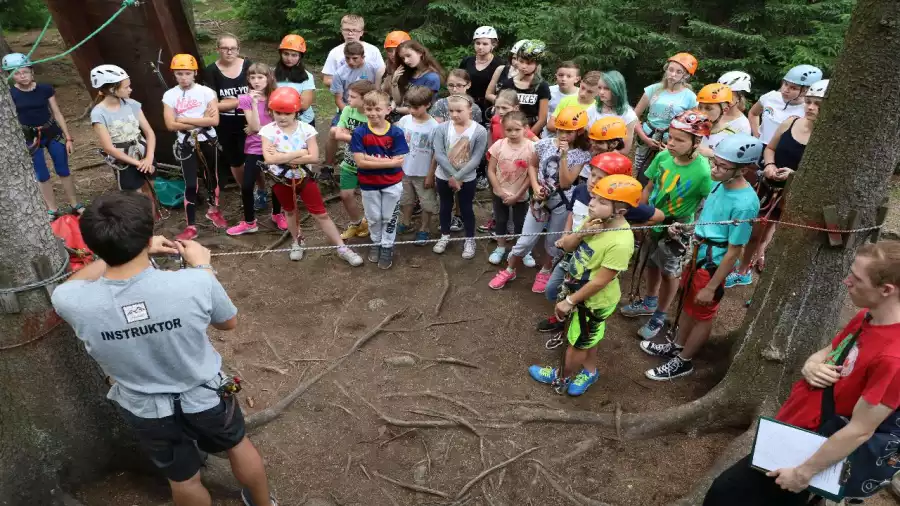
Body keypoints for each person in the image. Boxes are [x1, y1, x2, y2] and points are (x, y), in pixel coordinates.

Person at [50, 192, 278, 506]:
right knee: (238, 445)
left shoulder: (72, 301)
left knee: (183, 480)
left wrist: (113, 255)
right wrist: (202, 267)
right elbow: (228, 323)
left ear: (91, 245)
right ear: (148, 236)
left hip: (147, 409)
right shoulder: (193, 282)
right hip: (206, 396)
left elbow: (67, 286)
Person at [703, 241, 900, 505]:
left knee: (724, 493)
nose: (846, 281)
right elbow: (831, 349)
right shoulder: (867, 316)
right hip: (795, 431)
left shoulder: (893, 358)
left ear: (886, 290)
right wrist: (812, 363)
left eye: (856, 278)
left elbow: (860, 431)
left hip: (812, 453)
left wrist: (802, 474)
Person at [640, 134, 762, 380]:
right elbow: (708, 220)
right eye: (714, 162)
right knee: (687, 302)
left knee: (703, 312)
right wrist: (687, 229)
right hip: (698, 252)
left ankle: (684, 361)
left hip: (713, 262)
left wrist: (713, 285)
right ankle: (678, 344)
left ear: (742, 170)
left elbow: (734, 251)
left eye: (722, 166)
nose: (714, 169)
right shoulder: (720, 183)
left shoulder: (746, 204)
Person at [527, 175, 642, 396]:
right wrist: (582, 233)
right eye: (594, 198)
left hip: (593, 302)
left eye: (602, 202)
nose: (592, 204)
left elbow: (601, 280)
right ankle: (589, 371)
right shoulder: (595, 222)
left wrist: (569, 301)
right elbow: (568, 247)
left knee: (577, 344)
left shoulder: (621, 241)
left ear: (621, 211)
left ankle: (562, 377)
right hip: (580, 293)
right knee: (586, 338)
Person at [538, 153, 663, 332]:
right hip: (573, 249)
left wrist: (627, 225)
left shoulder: (620, 208)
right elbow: (572, 214)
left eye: (600, 178)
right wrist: (567, 235)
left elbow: (659, 216)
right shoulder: (581, 191)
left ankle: (568, 318)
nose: (593, 181)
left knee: (580, 294)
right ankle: (562, 314)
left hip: (593, 261)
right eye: (592, 174)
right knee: (554, 289)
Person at [620, 110, 714, 340]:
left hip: (677, 229)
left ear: (696, 142)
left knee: (669, 272)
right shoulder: (663, 158)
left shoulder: (703, 172)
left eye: (680, 140)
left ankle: (660, 315)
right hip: (653, 221)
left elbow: (707, 205)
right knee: (651, 263)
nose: (671, 143)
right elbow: (649, 187)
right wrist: (642, 216)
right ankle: (650, 301)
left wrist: (690, 230)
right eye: (670, 137)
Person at [727, 79, 829, 288]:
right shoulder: (791, 122)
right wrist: (771, 164)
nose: (811, 107)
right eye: (809, 101)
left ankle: (763, 276)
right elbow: (770, 147)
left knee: (780, 238)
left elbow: (826, 173)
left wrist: (795, 175)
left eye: (818, 104)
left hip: (796, 195)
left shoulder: (828, 139)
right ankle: (743, 269)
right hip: (769, 186)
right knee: (754, 230)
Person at [488, 106, 592, 291]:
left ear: (579, 131)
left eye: (569, 132)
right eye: (561, 130)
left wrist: (565, 156)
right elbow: (533, 166)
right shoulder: (543, 144)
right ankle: (510, 268)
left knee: (552, 243)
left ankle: (545, 271)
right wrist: (535, 187)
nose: (563, 136)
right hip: (539, 200)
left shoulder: (582, 154)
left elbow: (567, 183)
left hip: (563, 203)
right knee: (525, 240)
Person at [259, 87, 363, 266]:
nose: (282, 117)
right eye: (278, 112)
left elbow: (314, 157)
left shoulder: (306, 129)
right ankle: (297, 241)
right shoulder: (267, 131)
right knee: (290, 211)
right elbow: (269, 159)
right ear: (271, 111)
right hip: (281, 179)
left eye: (287, 113)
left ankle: (341, 247)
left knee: (321, 213)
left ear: (296, 112)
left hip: (304, 177)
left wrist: (280, 155)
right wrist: (300, 152)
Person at [3, 52, 81, 217]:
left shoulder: (45, 89)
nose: (22, 76)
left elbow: (57, 113)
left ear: (32, 71)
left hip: (52, 132)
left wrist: (67, 137)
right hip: (30, 137)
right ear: (11, 76)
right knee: (42, 174)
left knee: (63, 169)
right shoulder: (10, 94)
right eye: (16, 73)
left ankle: (75, 204)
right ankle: (52, 209)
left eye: (25, 71)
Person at [162, 53, 224, 241]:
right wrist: (201, 120)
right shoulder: (170, 95)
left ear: (195, 72)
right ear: (174, 74)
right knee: (190, 183)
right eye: (179, 73)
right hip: (186, 142)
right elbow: (170, 125)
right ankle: (191, 226)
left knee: (211, 176)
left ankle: (214, 210)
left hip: (208, 139)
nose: (184, 77)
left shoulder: (206, 92)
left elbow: (214, 120)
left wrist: (184, 119)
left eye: (187, 73)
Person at [350, 90, 410, 269]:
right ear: (364, 109)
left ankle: (387, 245)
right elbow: (360, 162)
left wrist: (371, 159)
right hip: (369, 184)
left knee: (389, 216)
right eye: (369, 109)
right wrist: (387, 161)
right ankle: (376, 241)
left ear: (388, 110)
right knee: (373, 217)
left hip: (392, 183)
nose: (373, 113)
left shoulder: (395, 133)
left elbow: (399, 162)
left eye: (377, 108)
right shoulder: (360, 132)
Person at [89, 65, 157, 216]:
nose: (130, 89)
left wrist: (149, 158)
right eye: (126, 87)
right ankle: (140, 224)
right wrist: (139, 164)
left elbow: (149, 132)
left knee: (149, 189)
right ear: (113, 89)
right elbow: (108, 147)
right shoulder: (99, 114)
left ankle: (152, 220)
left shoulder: (132, 104)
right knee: (135, 196)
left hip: (144, 153)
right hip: (125, 161)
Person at [226, 63, 285, 236]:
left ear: (269, 78)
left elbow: (279, 124)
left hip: (275, 145)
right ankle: (250, 222)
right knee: (246, 185)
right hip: (254, 146)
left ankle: (277, 214)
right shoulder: (245, 98)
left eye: (260, 77)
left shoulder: (276, 97)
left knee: (277, 182)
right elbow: (255, 126)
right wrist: (253, 103)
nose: (256, 81)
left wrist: (255, 128)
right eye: (252, 78)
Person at [431, 94, 489, 259]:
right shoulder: (441, 128)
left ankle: (470, 239)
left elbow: (477, 158)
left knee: (466, 208)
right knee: (445, 205)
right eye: (451, 111)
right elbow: (440, 154)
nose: (454, 114)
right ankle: (444, 235)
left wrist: (459, 176)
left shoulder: (479, 131)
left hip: (467, 178)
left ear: (470, 110)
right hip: (444, 175)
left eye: (459, 110)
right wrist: (452, 175)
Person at [205, 33, 257, 204]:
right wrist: (242, 100)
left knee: (254, 158)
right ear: (218, 49)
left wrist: (229, 102)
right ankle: (246, 192)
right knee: (235, 160)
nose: (229, 52)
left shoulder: (248, 66)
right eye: (225, 48)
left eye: (233, 48)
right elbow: (212, 105)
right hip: (226, 123)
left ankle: (261, 190)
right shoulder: (211, 71)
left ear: (238, 49)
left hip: (249, 120)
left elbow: (259, 94)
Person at [633, 52, 699, 184]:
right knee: (640, 170)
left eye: (678, 72)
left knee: (664, 174)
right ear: (666, 69)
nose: (673, 74)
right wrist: (645, 138)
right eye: (671, 70)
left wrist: (677, 144)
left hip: (670, 142)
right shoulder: (653, 89)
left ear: (685, 75)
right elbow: (634, 116)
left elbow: (693, 127)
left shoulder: (690, 97)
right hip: (648, 135)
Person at [486, 111, 537, 265]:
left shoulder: (532, 148)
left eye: (517, 129)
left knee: (521, 222)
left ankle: (523, 250)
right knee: (500, 220)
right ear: (503, 130)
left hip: (520, 194)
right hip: (499, 193)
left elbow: (531, 174)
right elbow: (491, 170)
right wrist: (500, 192)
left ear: (526, 128)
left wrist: (518, 195)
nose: (513, 133)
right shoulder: (498, 146)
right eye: (509, 130)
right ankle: (501, 248)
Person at [326, 41, 385, 175]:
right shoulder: (339, 74)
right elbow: (339, 99)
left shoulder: (373, 68)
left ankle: (373, 165)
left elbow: (378, 92)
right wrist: (349, 114)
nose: (350, 61)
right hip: (348, 109)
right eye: (347, 58)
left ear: (363, 57)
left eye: (355, 58)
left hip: (370, 110)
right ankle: (328, 165)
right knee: (333, 132)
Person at [334, 80, 377, 241]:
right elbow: (338, 134)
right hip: (349, 164)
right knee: (346, 195)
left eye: (352, 96)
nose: (348, 99)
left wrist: (350, 135)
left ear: (365, 99)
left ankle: (371, 224)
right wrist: (359, 138)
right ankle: (356, 223)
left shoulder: (374, 115)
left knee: (370, 199)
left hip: (369, 166)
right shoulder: (347, 111)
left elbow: (374, 142)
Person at [396, 86, 440, 244]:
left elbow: (436, 153)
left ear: (427, 104)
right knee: (405, 199)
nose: (412, 110)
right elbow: (398, 141)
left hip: (423, 172)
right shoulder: (405, 120)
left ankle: (424, 228)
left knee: (426, 202)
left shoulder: (434, 126)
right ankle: (405, 222)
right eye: (409, 107)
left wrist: (431, 174)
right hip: (404, 169)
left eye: (415, 107)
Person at [748, 64, 823, 145]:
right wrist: (756, 134)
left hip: (783, 153)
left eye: (793, 88)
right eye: (785, 84)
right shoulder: (770, 97)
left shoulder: (808, 110)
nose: (785, 90)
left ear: (806, 90)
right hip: (760, 146)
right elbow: (753, 113)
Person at [494, 40, 551, 135]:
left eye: (529, 63)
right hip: (509, 132)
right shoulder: (508, 84)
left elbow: (542, 119)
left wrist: (527, 137)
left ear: (536, 64)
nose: (524, 66)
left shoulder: (542, 86)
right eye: (521, 61)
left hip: (531, 132)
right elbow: (499, 110)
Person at [321, 14, 384, 88]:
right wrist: (347, 84)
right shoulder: (334, 52)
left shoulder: (373, 50)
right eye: (347, 30)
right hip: (346, 97)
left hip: (369, 96)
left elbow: (382, 74)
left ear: (361, 32)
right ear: (341, 31)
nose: (350, 33)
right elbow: (327, 79)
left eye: (354, 30)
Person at [696, 83, 751, 158]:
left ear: (724, 110)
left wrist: (713, 154)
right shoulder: (692, 128)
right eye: (700, 107)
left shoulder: (732, 136)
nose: (701, 113)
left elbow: (738, 159)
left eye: (708, 108)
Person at [590, 70, 639, 154]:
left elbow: (625, 150)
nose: (601, 92)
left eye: (607, 88)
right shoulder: (592, 109)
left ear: (617, 89)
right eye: (599, 87)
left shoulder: (628, 115)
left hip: (611, 161)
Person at [390, 40, 445, 115]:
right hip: (402, 117)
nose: (406, 61)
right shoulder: (408, 72)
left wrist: (394, 110)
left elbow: (423, 107)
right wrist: (394, 82)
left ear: (420, 53)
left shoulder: (432, 78)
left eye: (408, 55)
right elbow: (398, 101)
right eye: (403, 58)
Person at [459, 26, 503, 118]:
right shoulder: (467, 61)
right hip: (466, 105)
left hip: (488, 107)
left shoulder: (499, 64)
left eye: (485, 44)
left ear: (493, 45)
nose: (480, 47)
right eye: (477, 43)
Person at [274, 34, 317, 128]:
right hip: (278, 121)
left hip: (303, 121)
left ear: (300, 57)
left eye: (294, 55)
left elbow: (304, 105)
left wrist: (277, 104)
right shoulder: (271, 75)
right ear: (281, 54)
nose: (289, 59)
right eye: (286, 54)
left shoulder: (307, 77)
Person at [542, 61, 580, 137]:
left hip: (571, 137)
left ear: (577, 79)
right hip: (547, 136)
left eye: (569, 76)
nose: (563, 79)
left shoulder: (580, 96)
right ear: (556, 76)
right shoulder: (548, 91)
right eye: (561, 75)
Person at [484, 39, 528, 105]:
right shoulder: (501, 69)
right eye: (514, 58)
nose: (516, 62)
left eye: (520, 59)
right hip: (499, 109)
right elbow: (488, 94)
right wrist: (502, 103)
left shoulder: (529, 75)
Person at [380, 30, 411, 110]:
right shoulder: (387, 65)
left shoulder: (412, 66)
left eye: (397, 50)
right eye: (390, 51)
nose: (393, 54)